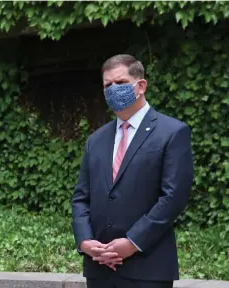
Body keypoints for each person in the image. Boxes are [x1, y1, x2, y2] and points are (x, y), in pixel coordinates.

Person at [71, 54, 193, 288]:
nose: (113, 90)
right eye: (108, 85)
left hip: (148, 268)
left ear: (141, 86)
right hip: (100, 269)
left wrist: (133, 241)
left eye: (120, 83)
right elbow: (81, 197)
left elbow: (173, 197)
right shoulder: (95, 140)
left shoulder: (172, 132)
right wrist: (85, 240)